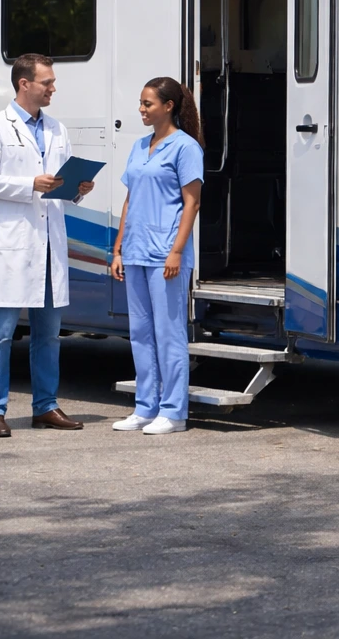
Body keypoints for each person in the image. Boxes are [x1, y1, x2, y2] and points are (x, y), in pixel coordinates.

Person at [0, 53, 95, 438]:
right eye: (47, 82)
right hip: (13, 244)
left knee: (48, 334)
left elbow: (58, 186)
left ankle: (45, 406)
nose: (53, 88)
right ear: (25, 84)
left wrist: (78, 190)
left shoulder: (57, 129)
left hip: (48, 244)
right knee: (1, 333)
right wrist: (29, 186)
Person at [109, 77, 205, 436]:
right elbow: (130, 199)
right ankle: (145, 407)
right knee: (140, 333)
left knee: (169, 334)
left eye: (147, 104)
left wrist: (177, 251)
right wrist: (119, 248)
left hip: (166, 252)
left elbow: (192, 202)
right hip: (135, 251)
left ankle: (174, 411)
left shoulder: (185, 147)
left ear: (168, 107)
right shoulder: (139, 146)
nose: (141, 110)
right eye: (140, 103)